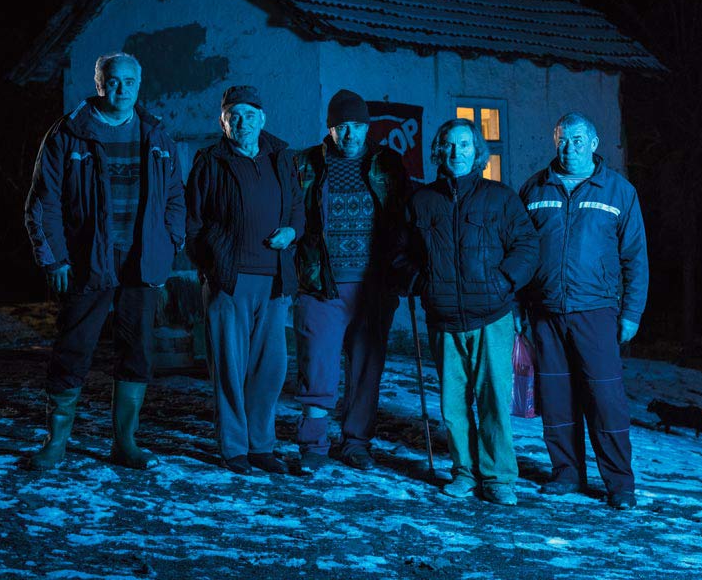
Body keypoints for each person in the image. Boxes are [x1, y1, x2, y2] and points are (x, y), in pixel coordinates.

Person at [24, 52, 185, 471]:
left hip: (141, 261)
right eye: (113, 81)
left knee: (137, 350)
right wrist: (55, 259)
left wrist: (168, 244)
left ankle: (125, 442)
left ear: (139, 84)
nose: (121, 89)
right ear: (99, 84)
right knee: (73, 348)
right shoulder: (69, 133)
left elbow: (174, 197)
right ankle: (56, 443)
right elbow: (43, 203)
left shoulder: (156, 135)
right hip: (88, 261)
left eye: (129, 82)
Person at [397, 118, 538, 505]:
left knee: (493, 399)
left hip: (492, 316)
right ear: (438, 151)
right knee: (453, 404)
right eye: (448, 145)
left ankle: (498, 478)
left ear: (477, 152)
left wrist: (504, 281)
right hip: (443, 318)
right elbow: (399, 253)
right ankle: (464, 472)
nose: (456, 152)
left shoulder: (500, 198)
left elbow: (527, 246)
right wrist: (419, 282)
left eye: (464, 145)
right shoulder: (422, 201)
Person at [518, 112, 649, 510]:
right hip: (546, 312)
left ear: (593, 144)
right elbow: (521, 252)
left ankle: (619, 484)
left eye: (577, 140)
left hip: (597, 311)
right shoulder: (534, 188)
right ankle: (566, 473)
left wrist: (631, 313)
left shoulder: (618, 191)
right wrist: (519, 308)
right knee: (556, 397)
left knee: (606, 400)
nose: (569, 148)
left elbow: (635, 258)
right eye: (562, 140)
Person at [184, 85, 305, 475]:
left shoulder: (280, 157)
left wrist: (292, 231)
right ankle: (234, 447)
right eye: (233, 116)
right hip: (229, 280)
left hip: (274, 279)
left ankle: (261, 446)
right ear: (223, 122)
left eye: (250, 115)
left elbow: (297, 207)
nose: (242, 123)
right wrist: (210, 266)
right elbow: (192, 222)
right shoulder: (210, 161)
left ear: (262, 118)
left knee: (269, 369)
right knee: (230, 367)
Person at [292, 90, 410, 474]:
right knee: (317, 366)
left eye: (357, 127)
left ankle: (356, 443)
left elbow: (404, 218)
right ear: (330, 128)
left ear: (367, 127)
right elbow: (291, 217)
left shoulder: (387, 163)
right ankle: (313, 443)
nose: (350, 135)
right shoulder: (305, 164)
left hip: (373, 285)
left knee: (366, 368)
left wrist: (403, 267)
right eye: (342, 127)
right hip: (321, 284)